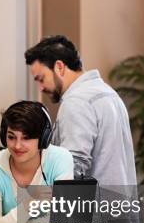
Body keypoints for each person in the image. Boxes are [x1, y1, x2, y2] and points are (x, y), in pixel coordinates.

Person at [24, 35, 136, 187]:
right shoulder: (109, 94)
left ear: (59, 67)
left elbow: (71, 168)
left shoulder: (76, 102)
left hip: (94, 208)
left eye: (41, 79)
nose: (41, 88)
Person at [0, 101, 74, 223]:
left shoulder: (59, 159)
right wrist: (28, 205)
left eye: (26, 138)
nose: (17, 146)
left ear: (43, 139)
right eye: (11, 137)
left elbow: (66, 221)